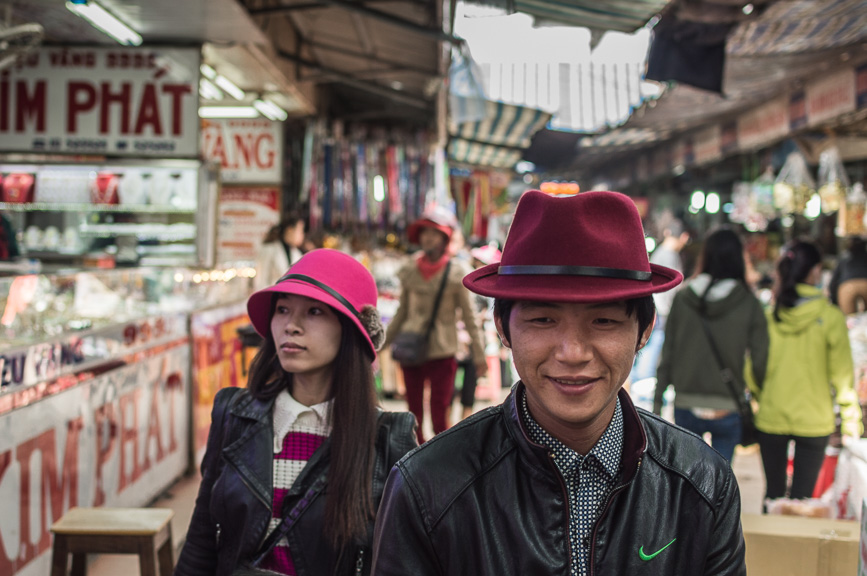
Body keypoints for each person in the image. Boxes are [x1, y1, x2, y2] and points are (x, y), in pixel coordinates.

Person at [372, 190, 746, 576]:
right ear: (503, 327)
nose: (573, 352)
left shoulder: (700, 483)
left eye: (604, 321)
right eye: (543, 320)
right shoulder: (427, 487)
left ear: (644, 329)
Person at [175, 249, 418, 576]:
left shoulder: (388, 438)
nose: (291, 325)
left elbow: (398, 560)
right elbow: (203, 535)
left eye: (314, 311)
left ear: (351, 329)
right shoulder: (235, 414)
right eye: (283, 309)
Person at [755, 239, 863, 501]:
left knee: (774, 494)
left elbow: (753, 367)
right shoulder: (831, 317)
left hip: (772, 415)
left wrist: (762, 396)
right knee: (803, 500)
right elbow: (842, 376)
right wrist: (851, 419)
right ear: (815, 272)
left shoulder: (769, 316)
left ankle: (771, 542)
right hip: (814, 421)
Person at [654, 227, 769, 462]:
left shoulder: (684, 298)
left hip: (686, 402)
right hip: (728, 404)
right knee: (721, 487)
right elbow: (760, 358)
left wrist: (658, 401)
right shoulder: (748, 303)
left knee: (687, 483)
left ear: (705, 256)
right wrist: (754, 392)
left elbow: (668, 353)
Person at [383, 207, 488, 443]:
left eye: (434, 233)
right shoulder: (409, 269)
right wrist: (379, 345)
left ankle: (441, 458)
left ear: (445, 239)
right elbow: (402, 312)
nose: (428, 238)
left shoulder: (456, 272)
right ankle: (414, 459)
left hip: (442, 349)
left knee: (441, 412)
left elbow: (470, 317)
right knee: (413, 413)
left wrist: (479, 356)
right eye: (424, 233)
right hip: (411, 346)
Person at [629, 218, 690, 382]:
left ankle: (641, 378)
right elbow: (669, 291)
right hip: (660, 311)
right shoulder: (669, 255)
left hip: (656, 309)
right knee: (653, 344)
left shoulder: (661, 252)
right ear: (683, 237)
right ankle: (643, 378)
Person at [254, 212, 306, 291]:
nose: (302, 235)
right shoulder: (269, 249)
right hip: (271, 295)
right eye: (300, 231)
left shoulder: (297, 254)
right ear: (290, 230)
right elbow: (260, 281)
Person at [828, 235, 867, 315]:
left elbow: (834, 281)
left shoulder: (843, 258)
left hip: (847, 286)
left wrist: (833, 300)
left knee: (848, 318)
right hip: (865, 283)